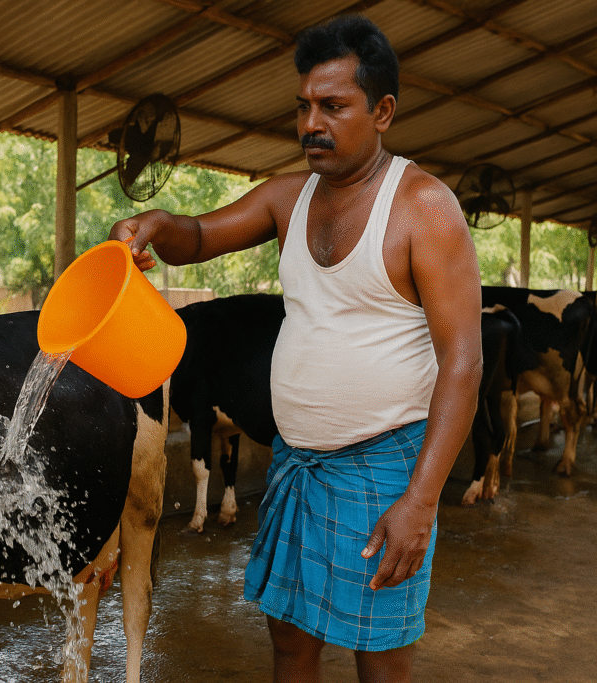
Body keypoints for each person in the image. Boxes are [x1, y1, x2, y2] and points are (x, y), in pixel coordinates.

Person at [108, 13, 482, 683]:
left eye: (333, 106)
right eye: (304, 106)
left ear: (383, 110)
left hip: (385, 465)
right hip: (296, 462)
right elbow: (198, 235)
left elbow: (463, 359)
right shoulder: (290, 197)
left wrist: (422, 499)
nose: (312, 122)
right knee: (289, 647)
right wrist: (158, 225)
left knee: (382, 658)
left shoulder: (424, 207)